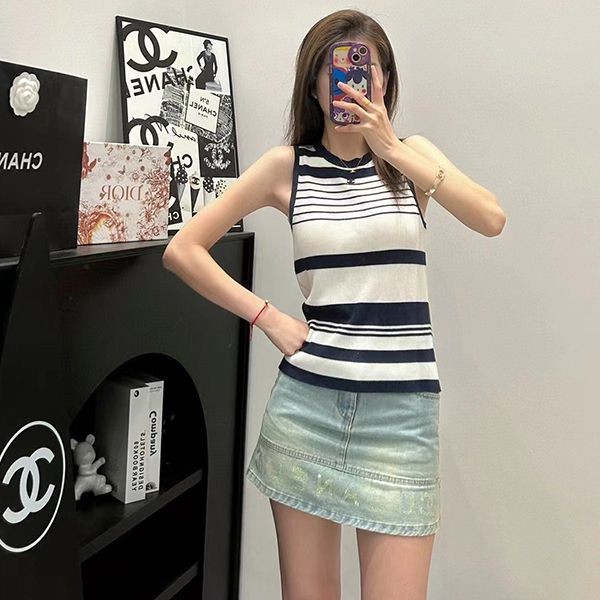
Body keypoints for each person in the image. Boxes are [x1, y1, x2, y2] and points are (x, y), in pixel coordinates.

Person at [163, 8, 506, 600]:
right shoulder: (286, 167)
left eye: (365, 69)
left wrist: (391, 147)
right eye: (336, 69)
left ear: (385, 80)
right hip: (307, 412)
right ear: (314, 84)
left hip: (401, 422)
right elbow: (183, 249)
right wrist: (268, 317)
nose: (351, 82)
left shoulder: (412, 158)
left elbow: (490, 218)